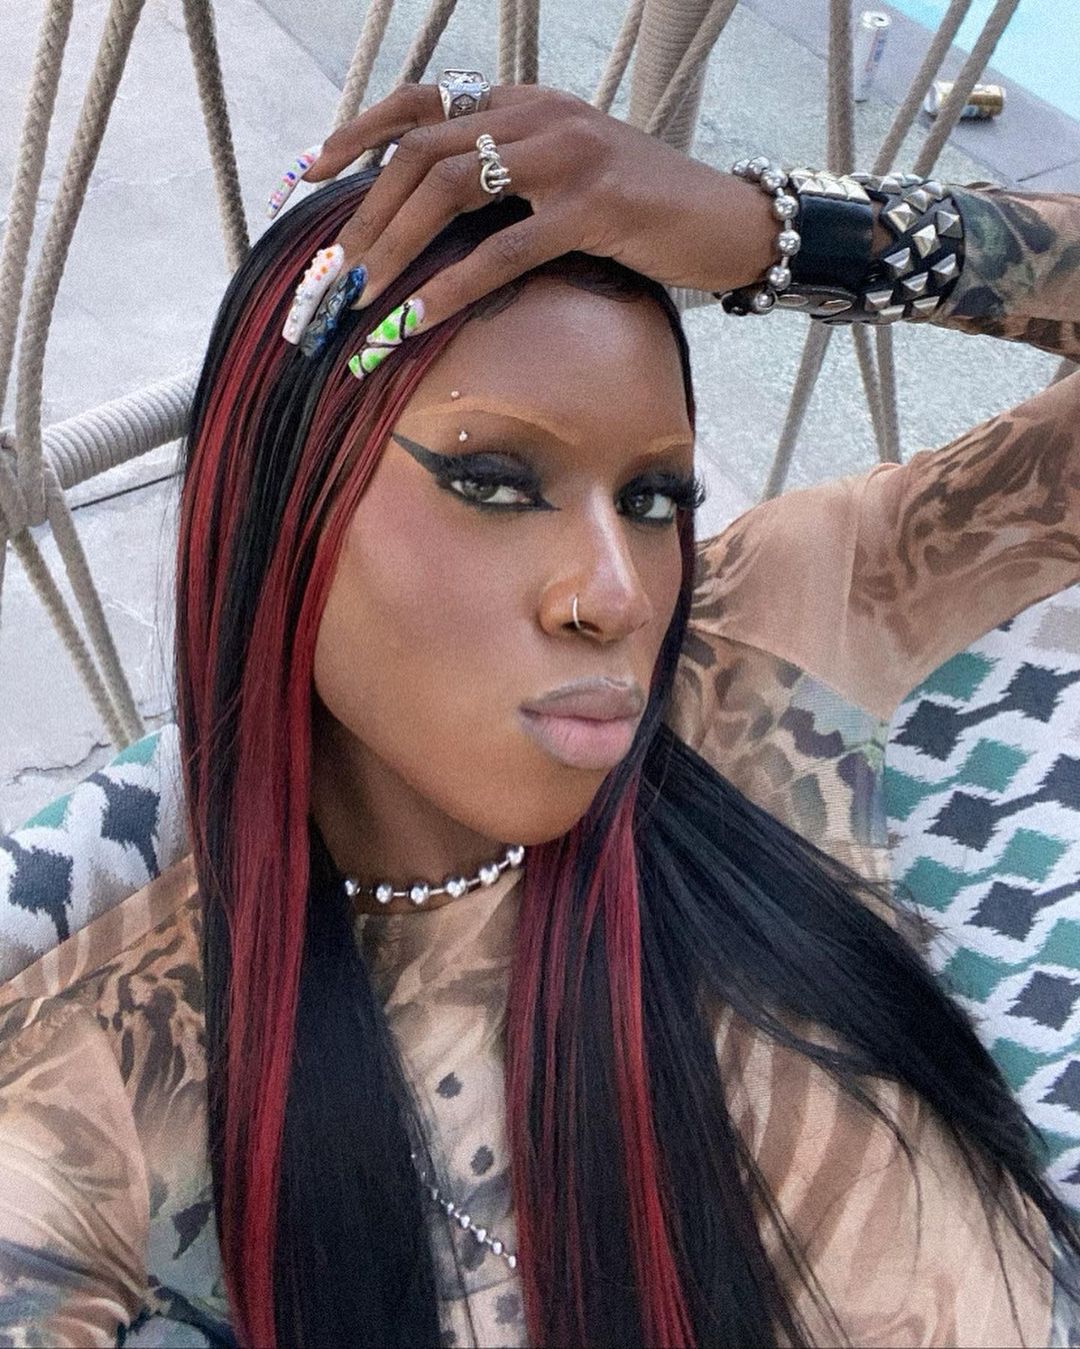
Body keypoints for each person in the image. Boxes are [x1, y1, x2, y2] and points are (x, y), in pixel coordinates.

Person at [0, 80, 1077, 1348]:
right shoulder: (105, 1085)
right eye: (495, 479)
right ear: (280, 499)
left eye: (655, 497)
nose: (615, 594)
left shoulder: (762, 641)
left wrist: (762, 229)